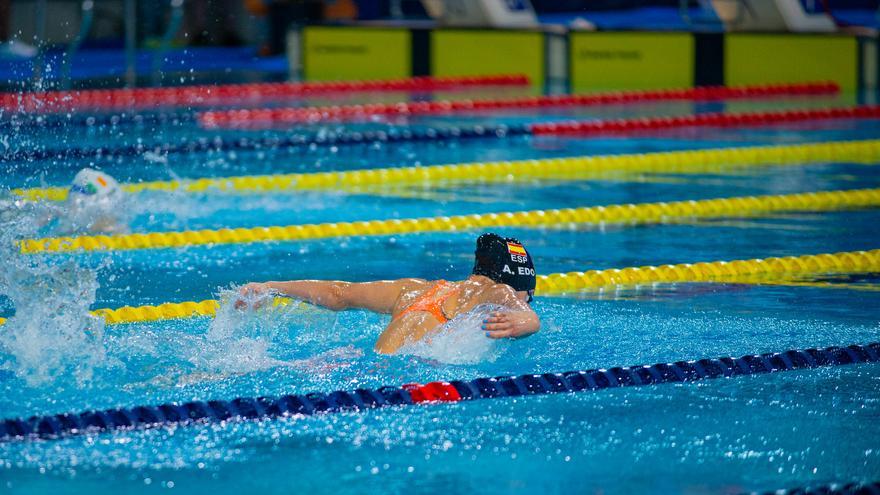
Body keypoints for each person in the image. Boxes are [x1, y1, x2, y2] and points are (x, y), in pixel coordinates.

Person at [237, 233, 540, 354]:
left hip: (364, 362)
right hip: (400, 379)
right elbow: (525, 315)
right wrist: (526, 323)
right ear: (518, 285)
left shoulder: (415, 289)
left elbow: (336, 293)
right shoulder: (500, 291)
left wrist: (270, 287)